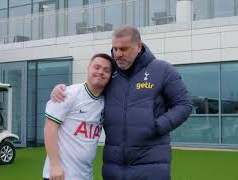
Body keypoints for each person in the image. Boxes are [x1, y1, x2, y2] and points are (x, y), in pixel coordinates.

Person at [51, 25, 193, 180]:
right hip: (114, 169)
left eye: (124, 49)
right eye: (115, 49)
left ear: (138, 47)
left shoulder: (162, 70)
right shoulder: (110, 73)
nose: (118, 54)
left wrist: (157, 126)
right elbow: (89, 90)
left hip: (151, 168)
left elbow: (184, 105)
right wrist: (60, 90)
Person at [42, 53, 113, 180]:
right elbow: (50, 127)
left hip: (85, 175)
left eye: (106, 70)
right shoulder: (68, 93)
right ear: (88, 68)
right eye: (97, 67)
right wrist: (54, 165)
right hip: (61, 175)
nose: (101, 72)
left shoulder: (105, 101)